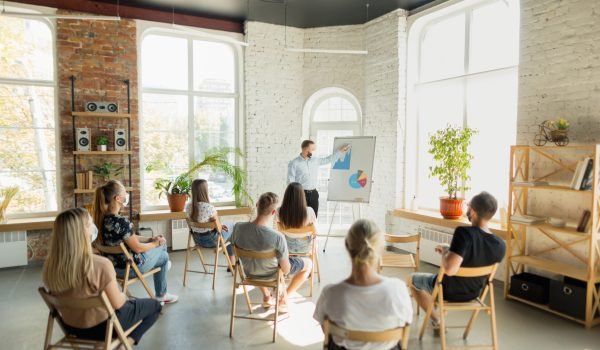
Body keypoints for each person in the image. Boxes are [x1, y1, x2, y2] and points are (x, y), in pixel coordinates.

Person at [42, 208, 162, 346]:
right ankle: (124, 344)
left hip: (72, 327)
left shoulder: (50, 267)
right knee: (155, 306)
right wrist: (123, 294)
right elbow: (118, 304)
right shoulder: (101, 265)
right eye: (89, 223)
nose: (93, 227)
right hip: (104, 328)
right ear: (81, 232)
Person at [408, 191, 506, 333]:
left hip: (448, 291)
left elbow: (449, 270)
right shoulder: (500, 245)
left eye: (468, 205)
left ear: (473, 210)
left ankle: (436, 320)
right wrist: (450, 251)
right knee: (431, 287)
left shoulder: (464, 233)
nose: (467, 208)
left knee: (411, 280)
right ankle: (433, 305)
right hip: (473, 294)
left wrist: (445, 253)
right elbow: (475, 258)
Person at [313, 219, 413, 350]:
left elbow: (325, 329)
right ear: (380, 249)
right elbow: (406, 325)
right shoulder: (398, 289)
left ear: (347, 246)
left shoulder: (330, 293)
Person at [93, 180, 178, 304]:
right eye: (124, 193)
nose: (126, 195)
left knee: (160, 248)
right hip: (131, 267)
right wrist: (156, 243)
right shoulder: (122, 222)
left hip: (113, 268)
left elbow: (131, 237)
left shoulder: (102, 220)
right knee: (164, 252)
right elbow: (137, 248)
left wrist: (150, 239)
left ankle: (162, 267)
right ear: (117, 198)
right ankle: (161, 293)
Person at [230, 192, 312, 312]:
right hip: (271, 275)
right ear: (273, 212)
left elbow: (232, 250)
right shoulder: (277, 237)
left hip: (248, 273)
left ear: (257, 205)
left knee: (257, 264)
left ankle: (267, 296)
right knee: (309, 264)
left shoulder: (238, 228)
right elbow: (286, 270)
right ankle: (283, 299)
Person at [287, 140, 349, 217]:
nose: (313, 152)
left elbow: (328, 159)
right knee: (300, 217)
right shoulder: (294, 163)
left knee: (313, 217)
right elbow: (290, 181)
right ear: (304, 149)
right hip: (300, 194)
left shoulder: (314, 160)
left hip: (313, 194)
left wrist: (340, 151)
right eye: (312, 150)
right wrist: (293, 196)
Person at [186, 179, 235, 267]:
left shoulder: (188, 207)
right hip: (213, 241)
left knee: (227, 229)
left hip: (197, 241)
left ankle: (231, 260)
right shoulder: (209, 208)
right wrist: (219, 226)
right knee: (232, 226)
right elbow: (219, 229)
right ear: (204, 190)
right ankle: (231, 262)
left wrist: (219, 226)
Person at [275, 182, 317, 254]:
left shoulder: (279, 211)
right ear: (302, 196)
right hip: (305, 247)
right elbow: (315, 232)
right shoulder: (310, 211)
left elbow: (276, 230)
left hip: (286, 247)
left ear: (287, 196)